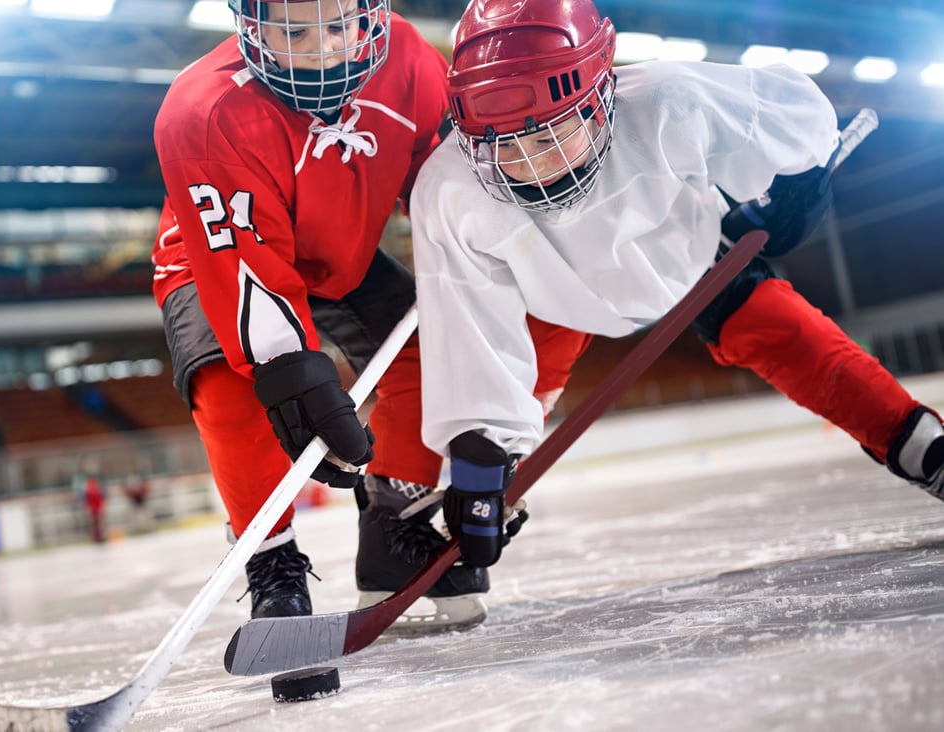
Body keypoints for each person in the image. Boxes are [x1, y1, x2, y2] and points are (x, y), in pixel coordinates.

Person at [408, 0, 944, 569]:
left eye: (546, 139)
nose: (530, 168)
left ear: (600, 93)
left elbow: (785, 116)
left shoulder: (668, 100)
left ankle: (921, 447)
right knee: (503, 436)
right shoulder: (450, 191)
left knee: (784, 330)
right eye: (504, 146)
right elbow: (469, 324)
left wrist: (799, 182)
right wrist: (477, 461)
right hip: (551, 295)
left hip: (685, 257)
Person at [151, 0, 537, 629]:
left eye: (336, 27)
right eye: (296, 31)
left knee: (435, 349)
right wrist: (292, 377)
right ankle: (270, 562)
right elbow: (243, 266)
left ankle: (393, 525)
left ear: (370, 17)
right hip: (217, 257)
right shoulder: (201, 109)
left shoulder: (411, 61)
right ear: (252, 26)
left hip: (339, 253)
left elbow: (448, 190)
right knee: (228, 387)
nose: (323, 50)